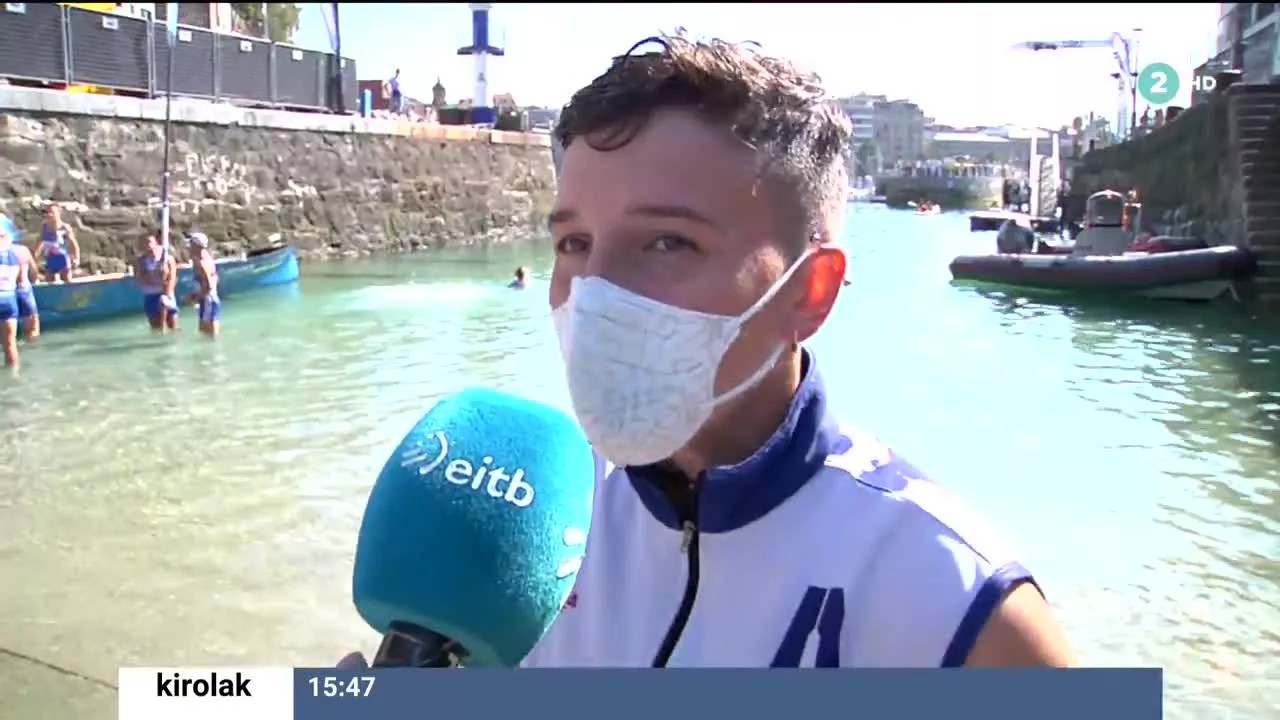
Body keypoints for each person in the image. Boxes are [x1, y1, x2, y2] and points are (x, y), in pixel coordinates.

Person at [344, 34, 1075, 669]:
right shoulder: (514, 527)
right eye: (573, 243)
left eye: (667, 241)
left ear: (810, 293)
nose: (594, 291)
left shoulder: (961, 610)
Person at [0, 214, 32, 368]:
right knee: (10, 344)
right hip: (9, 300)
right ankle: (14, 371)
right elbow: (21, 280)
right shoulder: (18, 252)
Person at [132, 234, 179, 333]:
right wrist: (155, 275)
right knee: (156, 327)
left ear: (156, 243)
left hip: (166, 294)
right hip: (151, 295)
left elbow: (173, 278)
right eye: (144, 243)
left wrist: (167, 294)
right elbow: (138, 280)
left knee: (172, 324)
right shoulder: (141, 261)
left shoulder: (167, 259)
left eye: (149, 242)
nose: (147, 245)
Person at [183, 232, 220, 337]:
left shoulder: (202, 263)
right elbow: (215, 279)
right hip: (208, 299)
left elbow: (209, 286)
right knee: (205, 333)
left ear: (196, 246)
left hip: (208, 299)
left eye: (191, 244)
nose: (189, 246)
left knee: (208, 334)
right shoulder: (205, 258)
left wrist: (194, 298)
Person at [36, 203, 80, 283]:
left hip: (63, 260)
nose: (50, 214)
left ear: (58, 213)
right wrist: (34, 258)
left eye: (52, 212)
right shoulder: (45, 227)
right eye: (48, 212)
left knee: (67, 283)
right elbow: (39, 243)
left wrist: (77, 258)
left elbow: (74, 244)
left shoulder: (65, 227)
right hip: (50, 259)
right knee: (49, 283)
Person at [13, 234, 39, 341]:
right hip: (23, 289)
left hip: (5, 291)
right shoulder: (23, 250)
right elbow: (34, 270)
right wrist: (35, 280)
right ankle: (32, 348)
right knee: (33, 326)